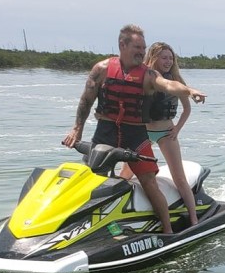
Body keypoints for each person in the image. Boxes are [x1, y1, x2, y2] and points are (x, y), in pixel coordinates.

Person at [62, 24, 207, 234]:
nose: (141, 52)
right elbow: (86, 100)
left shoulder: (148, 75)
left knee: (149, 182)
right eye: (137, 47)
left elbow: (168, 86)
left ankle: (168, 231)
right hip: (105, 132)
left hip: (135, 135)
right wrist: (77, 129)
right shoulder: (101, 69)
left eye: (143, 48)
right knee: (92, 179)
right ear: (122, 45)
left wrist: (189, 89)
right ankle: (80, 226)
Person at [143, 41, 198, 225]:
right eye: (164, 57)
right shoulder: (145, 77)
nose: (168, 61)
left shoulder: (176, 81)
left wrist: (177, 129)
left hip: (167, 133)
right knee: (124, 175)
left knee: (179, 178)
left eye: (170, 58)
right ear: (154, 57)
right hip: (144, 134)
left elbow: (186, 109)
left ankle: (194, 219)